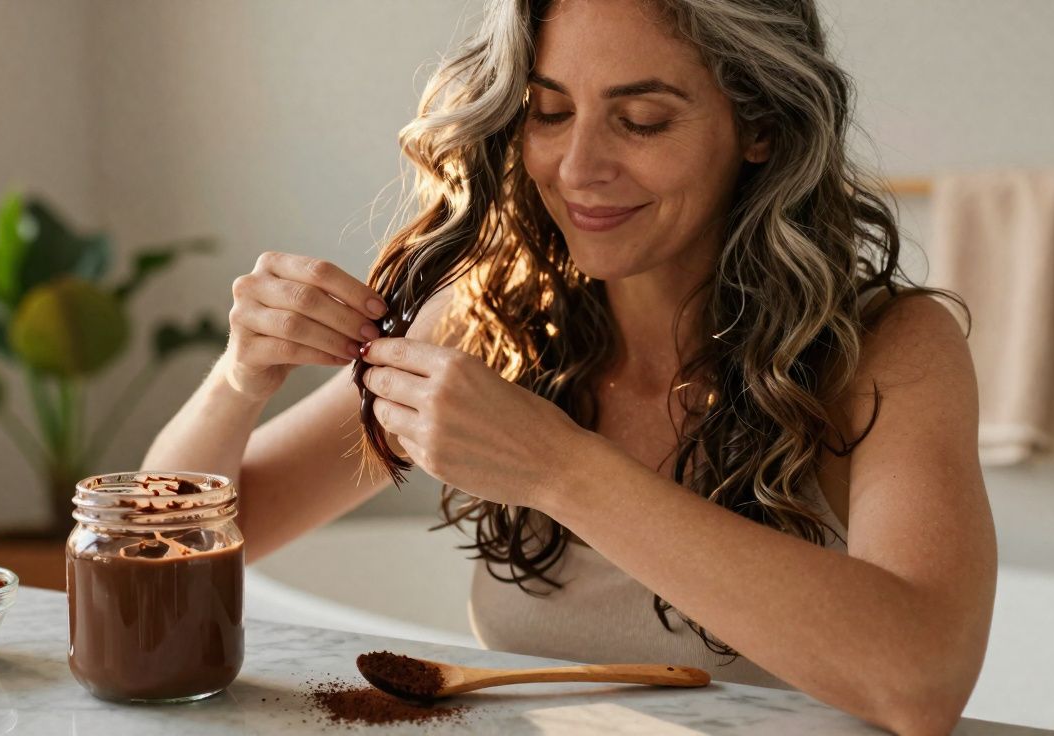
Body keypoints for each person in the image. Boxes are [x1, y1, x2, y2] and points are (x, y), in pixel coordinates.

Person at [144, 1, 995, 732]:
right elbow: (159, 558)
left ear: (762, 125)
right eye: (549, 112)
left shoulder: (885, 347)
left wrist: (559, 469)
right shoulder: (491, 321)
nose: (578, 168)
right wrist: (239, 379)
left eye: (643, 120)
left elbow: (920, 683)